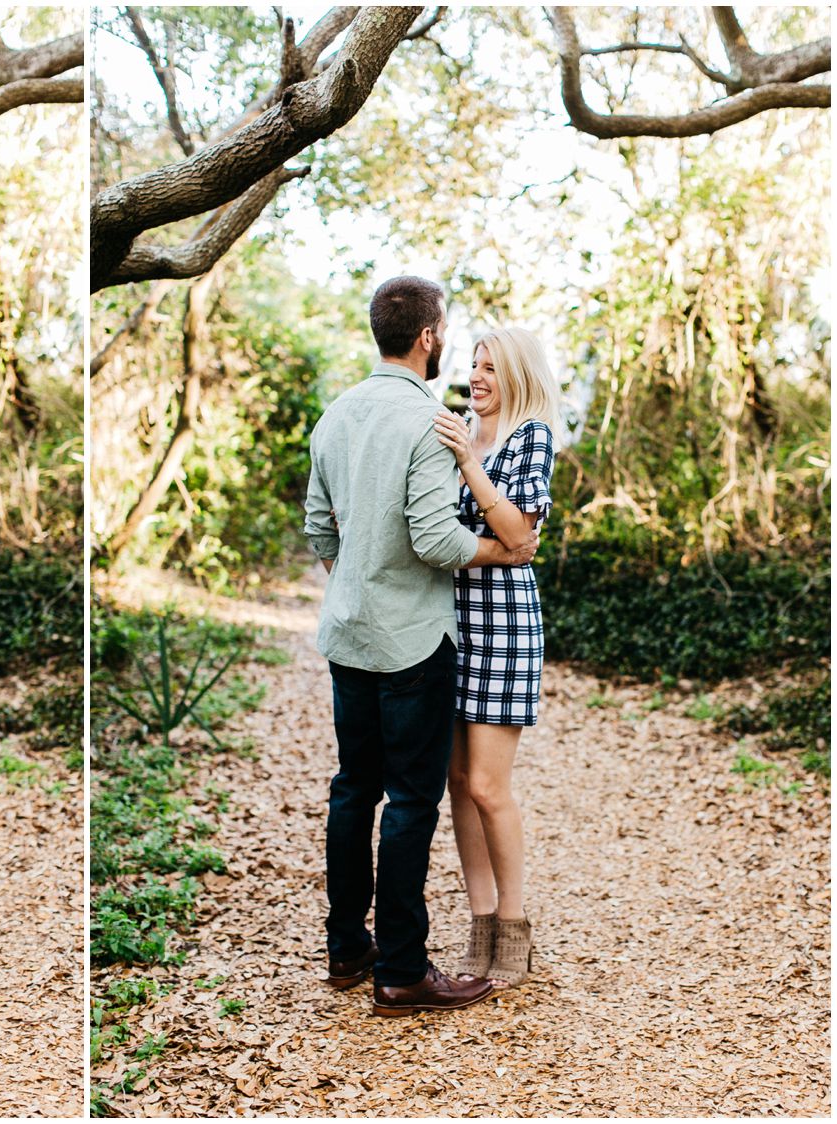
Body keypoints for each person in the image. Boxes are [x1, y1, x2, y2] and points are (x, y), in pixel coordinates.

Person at [302, 275, 538, 1017]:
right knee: (410, 799)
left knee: (352, 788)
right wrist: (501, 556)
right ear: (429, 338)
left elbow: (318, 525)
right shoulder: (429, 420)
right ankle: (402, 970)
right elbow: (437, 539)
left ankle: (347, 947)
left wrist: (355, 584)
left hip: (349, 636)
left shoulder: (334, 414)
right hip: (412, 643)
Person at [431, 328, 560, 990]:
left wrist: (468, 464)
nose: (476, 377)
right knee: (457, 782)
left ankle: (514, 929)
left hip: (504, 626)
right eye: (472, 366)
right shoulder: (462, 435)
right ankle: (480, 925)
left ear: (516, 374)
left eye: (490, 368)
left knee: (488, 785)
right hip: (449, 624)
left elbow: (518, 533)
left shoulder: (529, 436)